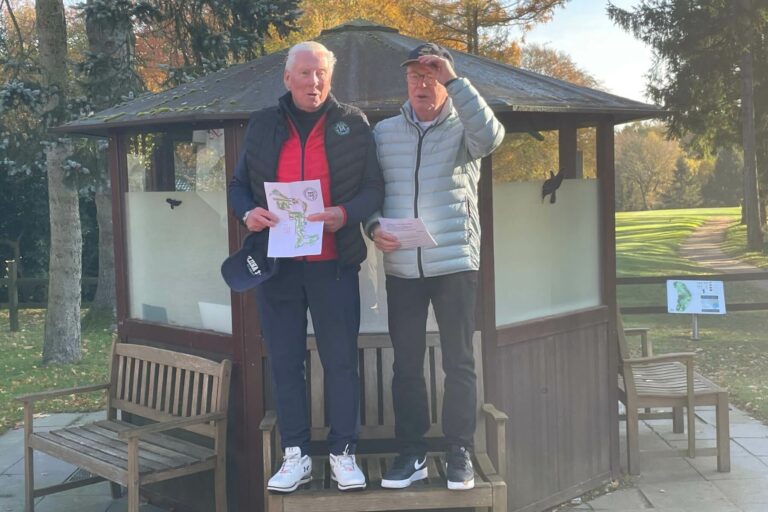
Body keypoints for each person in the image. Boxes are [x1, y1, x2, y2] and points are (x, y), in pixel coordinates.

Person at [229, 41, 383, 493]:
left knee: (339, 363)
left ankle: (343, 453)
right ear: (287, 77)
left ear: (330, 79)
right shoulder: (261, 125)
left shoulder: (353, 124)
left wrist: (345, 214)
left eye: (321, 74)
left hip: (333, 264)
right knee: (285, 362)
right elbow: (239, 186)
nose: (313, 82)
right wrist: (247, 214)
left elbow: (375, 189)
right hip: (277, 266)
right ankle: (295, 454)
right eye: (305, 73)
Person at [365, 43, 505, 491]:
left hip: (455, 265)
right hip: (403, 265)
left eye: (431, 75)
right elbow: (371, 191)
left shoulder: (466, 129)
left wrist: (456, 81)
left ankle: (458, 449)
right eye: (415, 76)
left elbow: (493, 137)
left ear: (444, 79)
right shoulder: (383, 132)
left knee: (459, 362)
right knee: (405, 365)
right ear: (405, 82)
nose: (422, 84)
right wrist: (371, 228)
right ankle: (412, 453)